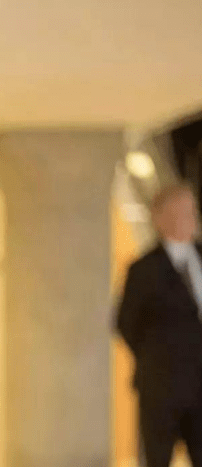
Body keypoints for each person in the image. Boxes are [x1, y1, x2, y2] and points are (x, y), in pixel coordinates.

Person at [117, 183, 202, 467]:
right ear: (161, 218)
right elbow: (126, 324)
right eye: (180, 212)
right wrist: (157, 360)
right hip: (161, 391)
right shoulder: (143, 269)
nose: (188, 218)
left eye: (191, 211)